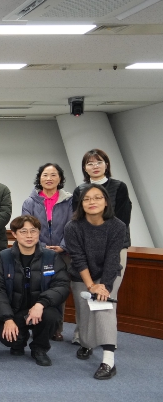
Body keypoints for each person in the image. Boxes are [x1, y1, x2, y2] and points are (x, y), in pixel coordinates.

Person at [71, 148, 132, 347]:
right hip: (86, 248)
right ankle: (83, 337)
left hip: (116, 246)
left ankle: (107, 341)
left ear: (106, 164)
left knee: (107, 293)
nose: (95, 166)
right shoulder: (80, 190)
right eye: (90, 163)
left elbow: (123, 219)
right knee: (84, 294)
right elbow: (77, 219)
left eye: (99, 162)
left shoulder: (119, 187)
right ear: (84, 168)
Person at [65, 184, 126, 380]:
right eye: (87, 199)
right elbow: (78, 258)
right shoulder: (72, 227)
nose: (92, 202)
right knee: (85, 312)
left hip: (108, 274)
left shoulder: (118, 226)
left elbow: (112, 259)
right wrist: (91, 285)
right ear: (81, 204)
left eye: (97, 197)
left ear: (106, 202)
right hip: (82, 274)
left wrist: (104, 287)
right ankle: (86, 344)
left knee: (104, 307)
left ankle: (108, 361)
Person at [0, 215, 70, 367]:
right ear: (14, 234)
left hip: (42, 310)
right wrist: (7, 319)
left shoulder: (51, 257)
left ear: (39, 233)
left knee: (52, 316)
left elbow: (62, 285)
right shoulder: (3, 257)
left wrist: (41, 304)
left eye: (33, 231)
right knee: (9, 338)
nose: (29, 235)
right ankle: (19, 342)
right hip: (15, 311)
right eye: (23, 231)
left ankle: (39, 349)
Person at [22, 162, 73, 341]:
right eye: (45, 175)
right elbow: (26, 227)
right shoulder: (30, 202)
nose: (49, 178)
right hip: (37, 252)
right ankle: (32, 323)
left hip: (63, 254)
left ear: (60, 178)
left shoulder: (69, 201)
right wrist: (42, 247)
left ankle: (56, 327)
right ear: (39, 178)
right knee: (34, 287)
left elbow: (73, 226)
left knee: (59, 289)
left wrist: (63, 246)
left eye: (53, 175)